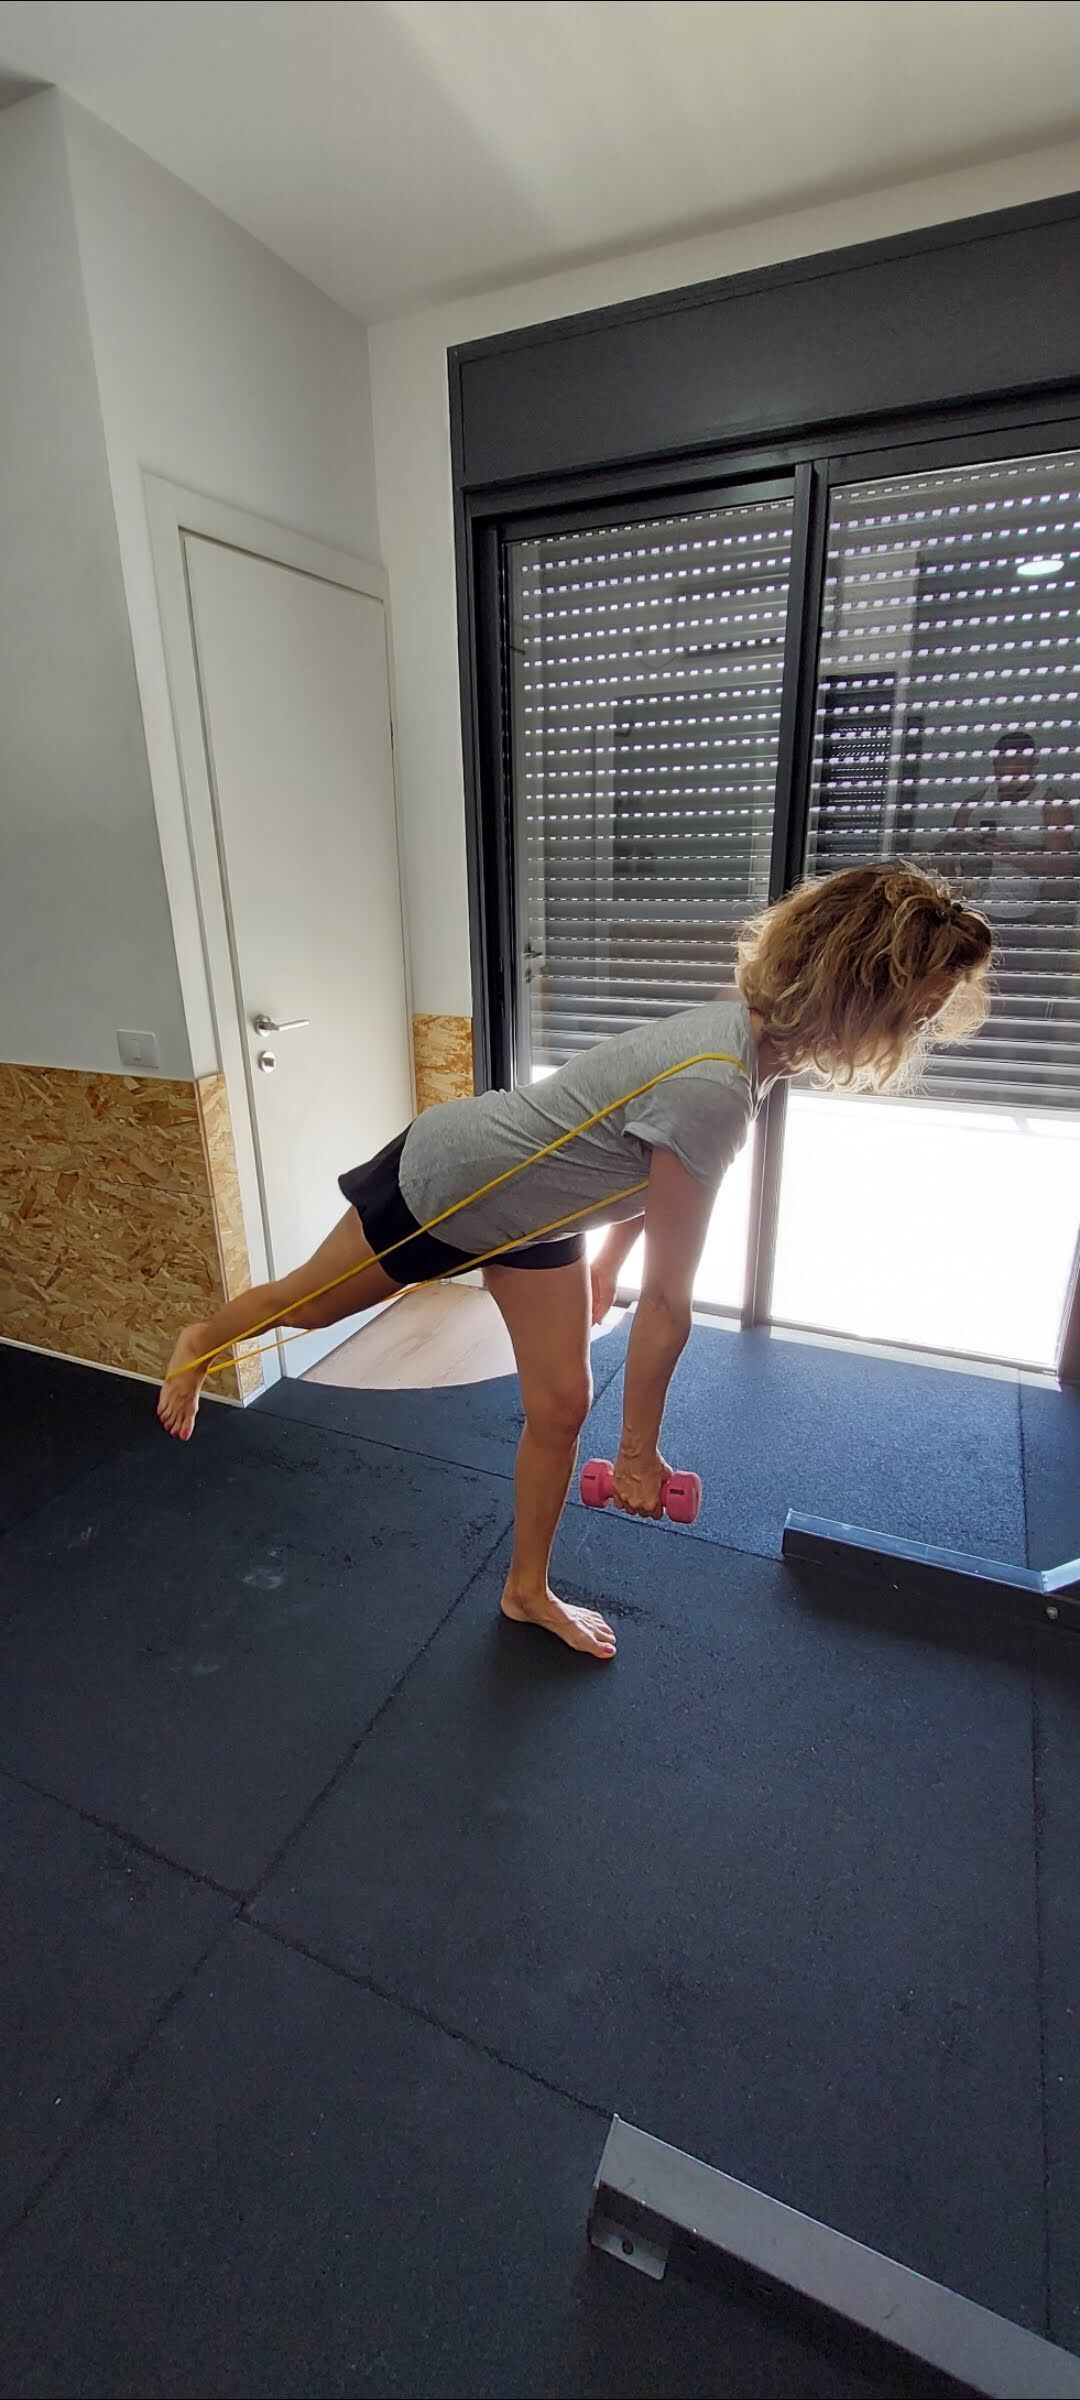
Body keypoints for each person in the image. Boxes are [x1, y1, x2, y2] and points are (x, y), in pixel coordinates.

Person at [159, 861, 992, 1662]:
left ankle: (526, 1591)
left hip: (542, 1215)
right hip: (453, 1184)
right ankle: (201, 1341)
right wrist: (637, 1453)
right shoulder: (717, 1082)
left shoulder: (744, 1042)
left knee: (559, 1405)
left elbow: (645, 1163)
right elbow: (666, 1303)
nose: (915, 1033)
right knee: (308, 1308)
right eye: (914, 1015)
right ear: (858, 991)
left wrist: (606, 1260)